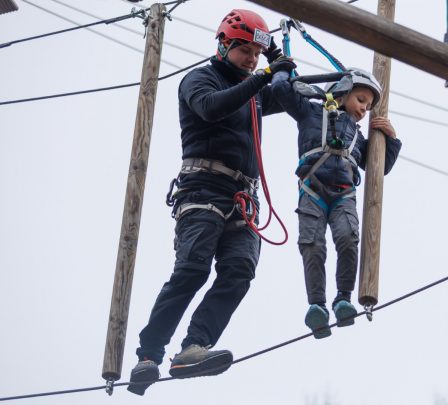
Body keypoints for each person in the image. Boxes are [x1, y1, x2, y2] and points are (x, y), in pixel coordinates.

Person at [127, 9, 296, 395]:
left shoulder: (255, 89)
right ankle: (148, 355)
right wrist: (264, 76)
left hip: (243, 198)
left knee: (239, 271)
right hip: (203, 189)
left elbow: (290, 95)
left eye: (257, 53)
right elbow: (212, 107)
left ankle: (193, 348)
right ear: (223, 45)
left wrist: (278, 62)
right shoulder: (200, 80)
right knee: (192, 269)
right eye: (245, 51)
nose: (251, 60)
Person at [270, 68, 401, 339]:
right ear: (341, 93)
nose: (364, 109)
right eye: (361, 100)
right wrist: (281, 69)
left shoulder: (358, 137)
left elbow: (380, 167)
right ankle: (317, 305)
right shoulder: (310, 113)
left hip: (343, 195)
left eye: (368, 106)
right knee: (312, 245)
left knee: (347, 239)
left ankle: (343, 298)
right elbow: (281, 90)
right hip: (312, 191)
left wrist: (391, 138)